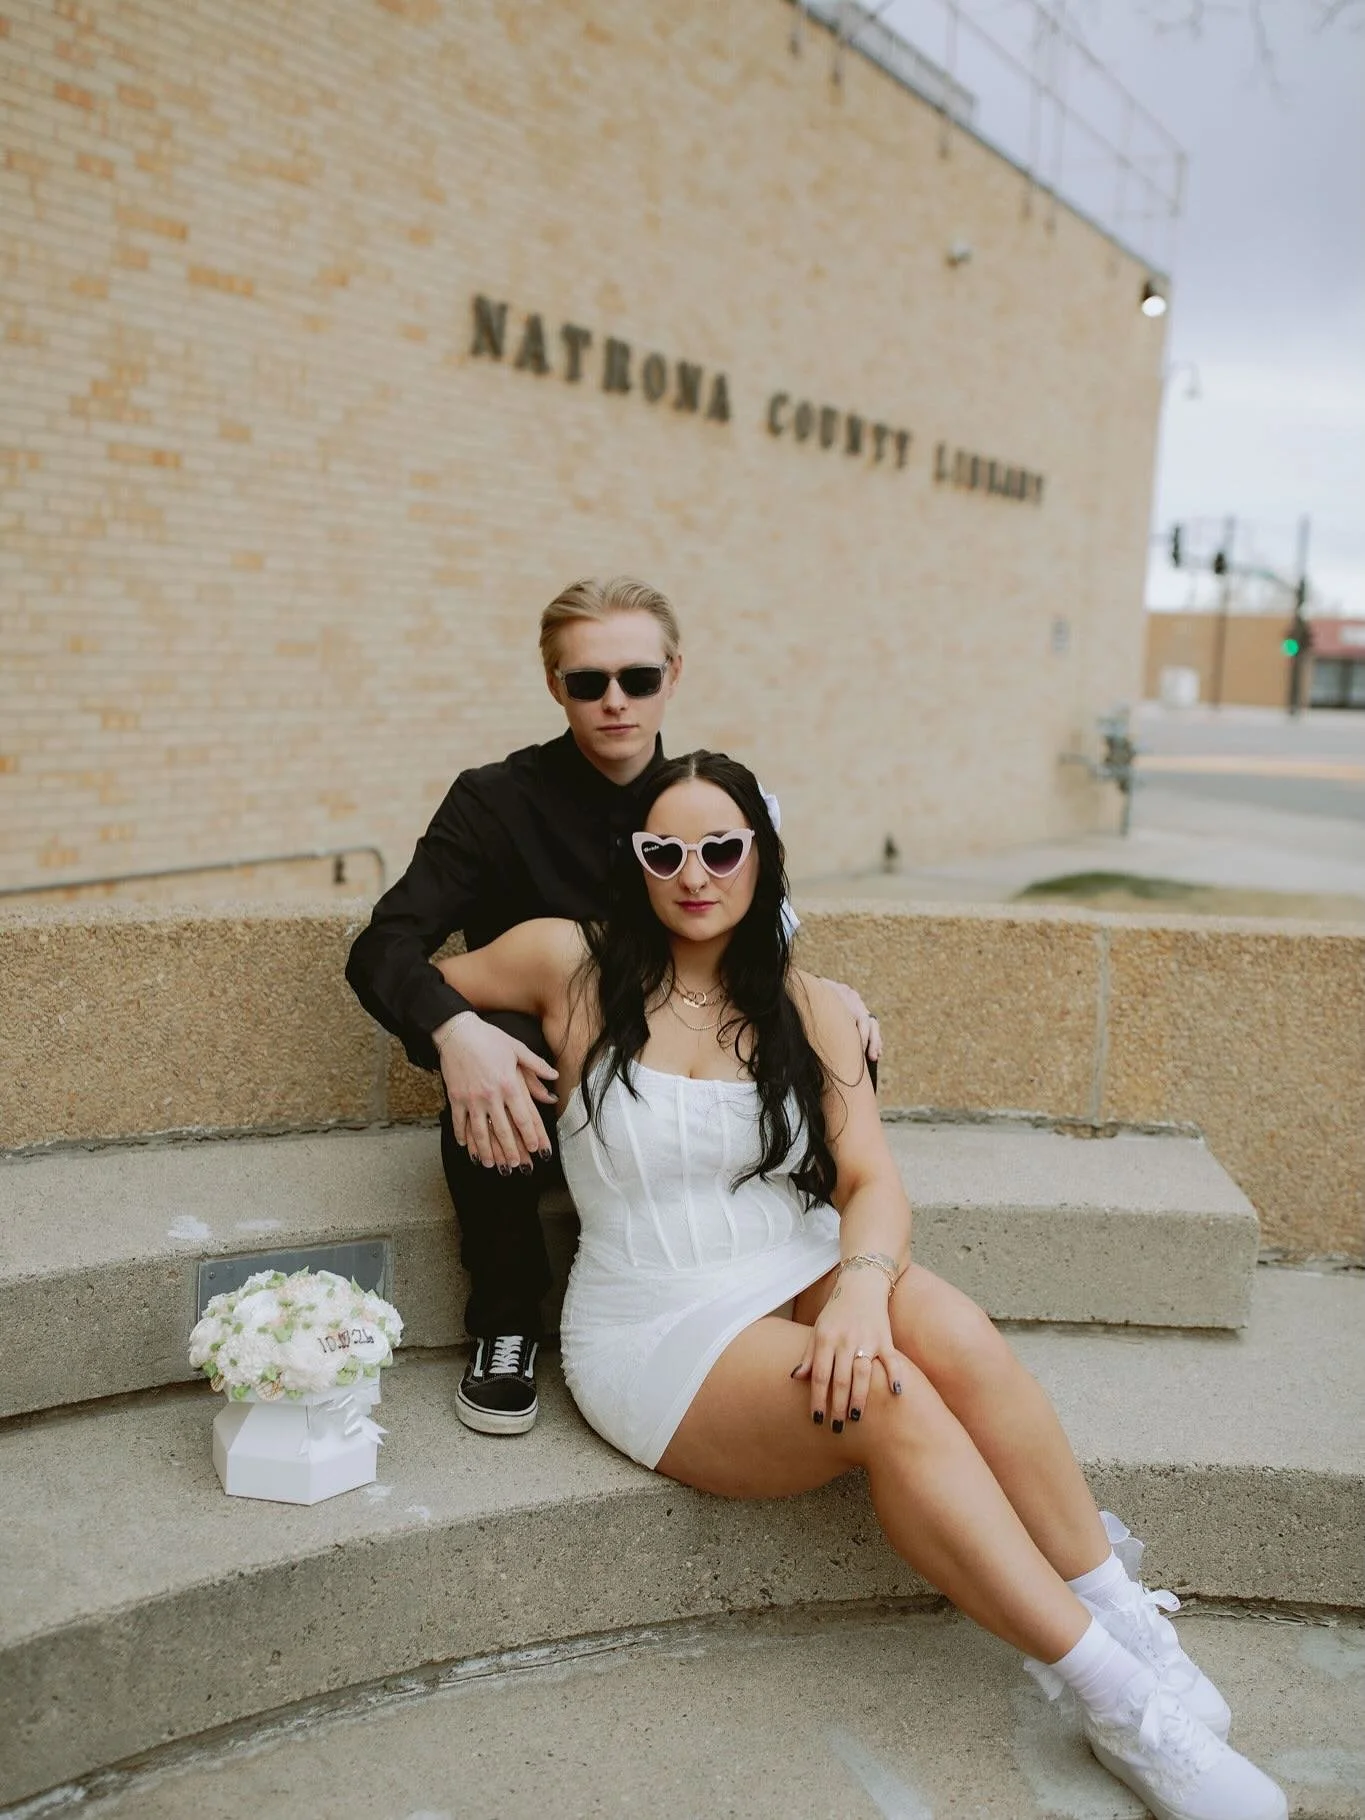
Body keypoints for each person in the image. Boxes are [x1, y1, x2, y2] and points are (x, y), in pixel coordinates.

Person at [429, 749, 1288, 1820]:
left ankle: (1120, 1612)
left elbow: (871, 1179)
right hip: (654, 1317)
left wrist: (861, 1289)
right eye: (665, 850)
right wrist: (459, 1039)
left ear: (760, 856)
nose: (694, 874)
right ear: (634, 860)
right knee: (882, 1395)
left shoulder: (808, 1005)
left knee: (951, 1330)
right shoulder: (569, 961)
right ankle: (1118, 1702)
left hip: (790, 1259)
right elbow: (407, 977)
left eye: (721, 849)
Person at [345, 576, 879, 1436]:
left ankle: (794, 1254)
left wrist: (820, 998)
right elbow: (384, 946)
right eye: (588, 682)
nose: (615, 701)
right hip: (551, 1072)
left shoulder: (703, 794)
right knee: (500, 1047)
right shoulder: (494, 800)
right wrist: (454, 1031)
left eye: (637, 678)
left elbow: (751, 932)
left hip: (688, 1051)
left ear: (673, 674)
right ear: (554, 684)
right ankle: (507, 1321)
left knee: (835, 1039)